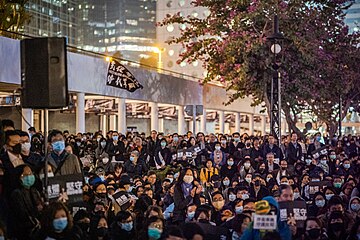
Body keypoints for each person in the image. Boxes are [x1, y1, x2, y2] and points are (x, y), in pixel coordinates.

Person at [8, 164, 43, 240]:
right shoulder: (16, 194)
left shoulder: (34, 191)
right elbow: (22, 215)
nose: (29, 176)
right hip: (24, 232)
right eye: (26, 175)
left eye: (30, 174)